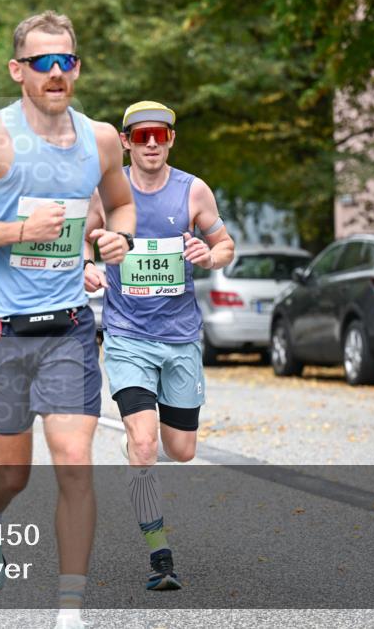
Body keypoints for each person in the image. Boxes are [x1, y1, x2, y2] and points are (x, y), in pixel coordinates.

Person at [0, 11, 135, 629]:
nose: (55, 72)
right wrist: (20, 230)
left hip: (68, 325)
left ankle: (69, 611)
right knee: (12, 475)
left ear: (77, 67)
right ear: (18, 71)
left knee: (75, 459)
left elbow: (120, 203)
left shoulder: (100, 139)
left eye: (65, 61)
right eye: (41, 62)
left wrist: (116, 238)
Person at [83, 100, 235, 591]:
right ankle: (159, 555)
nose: (152, 143)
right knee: (146, 448)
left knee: (182, 449)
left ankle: (141, 439)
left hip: (181, 339)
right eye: (142, 135)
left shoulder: (194, 191)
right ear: (126, 141)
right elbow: (81, 242)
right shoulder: (108, 191)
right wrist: (86, 265)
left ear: (172, 139)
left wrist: (209, 255)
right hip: (127, 337)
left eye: (161, 135)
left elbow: (225, 243)